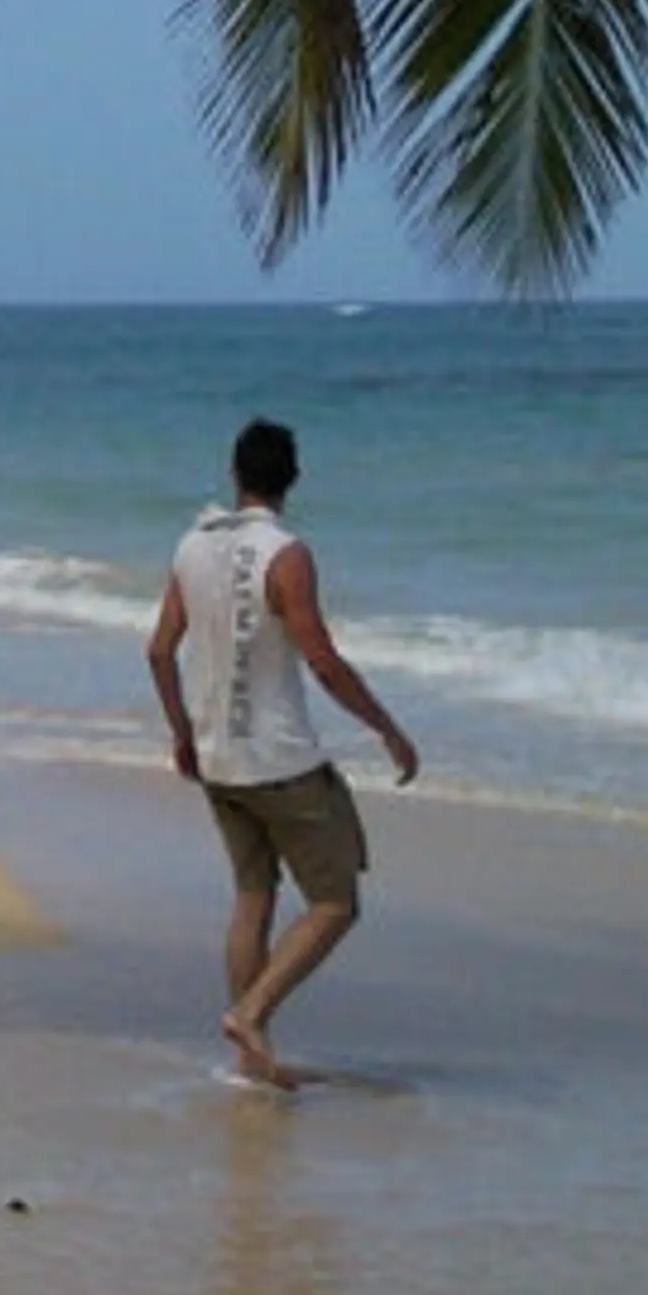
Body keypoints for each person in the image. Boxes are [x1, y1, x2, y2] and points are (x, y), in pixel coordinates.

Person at [145, 417, 418, 1089]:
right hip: (281, 762)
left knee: (253, 895)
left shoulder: (192, 545)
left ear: (236, 475)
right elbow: (322, 661)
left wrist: (183, 732)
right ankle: (251, 1013)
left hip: (218, 758)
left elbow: (158, 650)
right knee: (335, 902)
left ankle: (250, 1060)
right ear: (291, 479)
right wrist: (386, 727)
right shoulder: (286, 554)